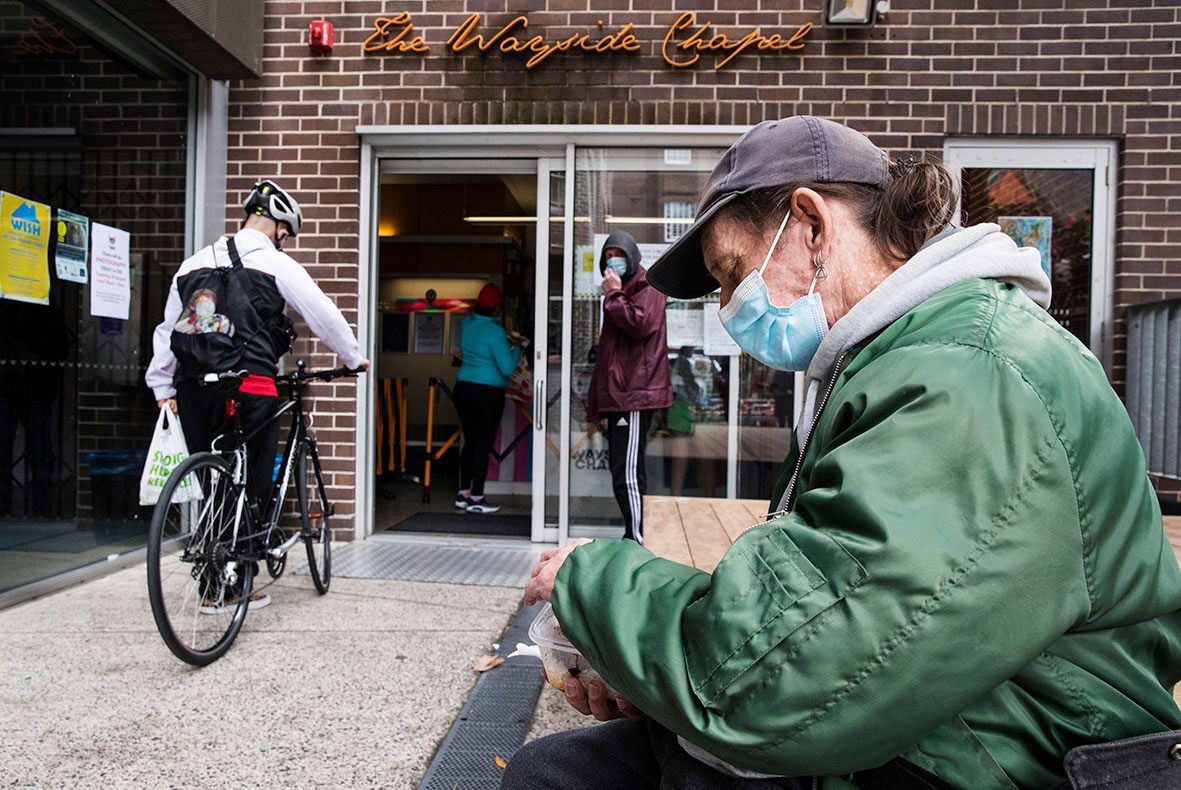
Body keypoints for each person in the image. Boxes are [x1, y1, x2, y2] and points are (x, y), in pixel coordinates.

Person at [506, 117, 1181, 788]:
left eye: (731, 272)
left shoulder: (967, 372)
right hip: (953, 714)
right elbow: (830, 594)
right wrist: (633, 659)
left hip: (1009, 752)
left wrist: (590, 582)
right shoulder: (906, 352)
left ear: (811, 224)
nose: (726, 305)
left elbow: (783, 683)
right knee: (560, 770)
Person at [145, 179, 369, 611]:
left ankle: (214, 581)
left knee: (215, 480)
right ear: (280, 228)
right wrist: (353, 357)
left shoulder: (191, 263)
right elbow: (321, 312)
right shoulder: (274, 263)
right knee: (254, 482)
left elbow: (167, 331)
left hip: (194, 390)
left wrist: (161, 385)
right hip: (250, 387)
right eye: (287, 233)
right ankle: (239, 579)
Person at [586, 231, 673, 542]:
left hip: (634, 394)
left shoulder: (647, 284)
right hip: (622, 395)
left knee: (627, 472)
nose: (613, 260)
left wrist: (612, 295)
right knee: (623, 468)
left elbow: (640, 325)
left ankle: (636, 538)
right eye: (608, 255)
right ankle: (633, 533)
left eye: (618, 254)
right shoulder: (621, 292)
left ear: (632, 256)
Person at [454, 282, 524, 515]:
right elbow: (506, 368)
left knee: (471, 442)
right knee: (484, 444)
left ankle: (463, 494)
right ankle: (477, 498)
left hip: (464, 388)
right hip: (487, 394)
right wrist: (518, 349)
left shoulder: (467, 324)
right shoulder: (494, 332)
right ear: (497, 308)